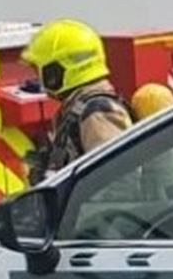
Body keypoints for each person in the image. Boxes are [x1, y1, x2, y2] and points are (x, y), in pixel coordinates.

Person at [23, 19, 133, 183]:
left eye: (37, 69)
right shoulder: (79, 109)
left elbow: (117, 181)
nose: (36, 77)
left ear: (55, 72)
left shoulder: (97, 113)